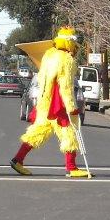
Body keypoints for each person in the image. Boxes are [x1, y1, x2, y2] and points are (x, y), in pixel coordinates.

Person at [10, 26, 91, 178]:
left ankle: (18, 159)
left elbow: (42, 78)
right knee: (70, 134)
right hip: (59, 104)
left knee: (37, 132)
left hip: (45, 103)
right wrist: (71, 106)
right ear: (70, 43)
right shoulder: (67, 59)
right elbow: (65, 85)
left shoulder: (49, 55)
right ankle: (71, 167)